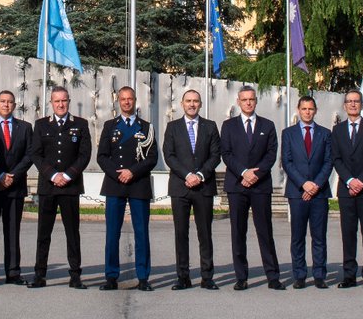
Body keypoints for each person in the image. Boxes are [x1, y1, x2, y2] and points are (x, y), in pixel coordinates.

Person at [28, 86, 92, 289]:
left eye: (64, 101)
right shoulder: (41, 125)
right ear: (51, 103)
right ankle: (39, 274)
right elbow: (35, 154)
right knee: (43, 233)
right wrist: (53, 175)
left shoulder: (80, 124)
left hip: (70, 187)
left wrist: (68, 174)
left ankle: (75, 275)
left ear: (69, 101)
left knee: (72, 233)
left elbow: (84, 154)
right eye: (57, 101)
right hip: (48, 186)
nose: (61, 104)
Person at [219, 85, 281, 290]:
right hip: (237, 185)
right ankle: (241, 277)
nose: (248, 102)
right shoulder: (228, 126)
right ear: (238, 101)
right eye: (244, 99)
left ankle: (272, 276)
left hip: (260, 185)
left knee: (265, 231)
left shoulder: (268, 125)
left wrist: (256, 174)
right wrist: (243, 172)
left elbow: (271, 154)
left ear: (255, 101)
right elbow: (226, 153)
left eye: (251, 99)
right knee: (238, 232)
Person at [97, 86, 158, 291]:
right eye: (123, 99)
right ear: (118, 101)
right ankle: (111, 276)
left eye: (130, 99)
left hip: (138, 184)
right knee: (112, 233)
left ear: (135, 100)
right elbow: (102, 157)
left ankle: (143, 277)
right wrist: (118, 173)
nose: (126, 102)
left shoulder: (146, 127)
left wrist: (132, 172)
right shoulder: (109, 126)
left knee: (142, 233)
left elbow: (152, 158)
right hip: (115, 185)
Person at [162, 89, 221, 290]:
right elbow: (169, 155)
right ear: (182, 103)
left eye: (195, 101)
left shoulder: (210, 127)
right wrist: (187, 175)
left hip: (203, 187)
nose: (192, 104)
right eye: (188, 101)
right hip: (180, 187)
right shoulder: (172, 127)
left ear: (201, 104)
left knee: (205, 233)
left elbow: (215, 155)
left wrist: (200, 175)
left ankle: (207, 277)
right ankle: (183, 277)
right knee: (181, 233)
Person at [0, 90, 33, 285]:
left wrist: (13, 175)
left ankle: (13, 272)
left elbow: (29, 154)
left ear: (14, 105)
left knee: (12, 231)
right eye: (2, 101)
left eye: (10, 102)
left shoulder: (25, 127)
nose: (6, 105)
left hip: (15, 187)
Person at [281, 95, 333, 289]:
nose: (307, 112)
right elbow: (287, 162)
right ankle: (300, 275)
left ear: (315, 110)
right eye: (304, 109)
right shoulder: (288, 133)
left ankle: (319, 275)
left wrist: (315, 185)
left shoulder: (325, 134)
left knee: (319, 236)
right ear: (298, 109)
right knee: (298, 236)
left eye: (310, 109)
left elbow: (329, 161)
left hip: (319, 193)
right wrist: (304, 184)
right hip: (297, 192)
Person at [332, 89, 363, 289]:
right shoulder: (337, 130)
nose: (353, 105)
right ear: (344, 105)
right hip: (346, 189)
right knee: (348, 233)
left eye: (356, 101)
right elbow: (336, 158)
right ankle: (349, 275)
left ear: (361, 105)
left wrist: (360, 180)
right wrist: (350, 180)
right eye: (349, 101)